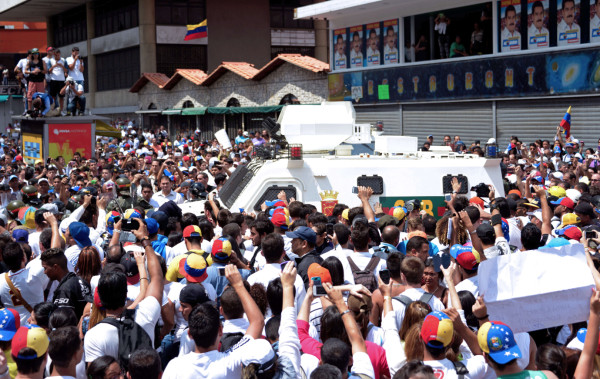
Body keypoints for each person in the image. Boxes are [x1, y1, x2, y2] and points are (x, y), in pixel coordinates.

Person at [162, 264, 265, 379]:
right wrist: (238, 285)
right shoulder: (230, 362)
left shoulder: (175, 367)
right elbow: (258, 321)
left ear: (190, 334)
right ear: (220, 330)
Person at [84, 219, 163, 363]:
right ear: (125, 295)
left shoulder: (93, 335)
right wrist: (145, 240)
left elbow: (94, 372)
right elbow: (157, 276)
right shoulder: (146, 314)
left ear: (99, 299)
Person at [0, 242, 49, 324]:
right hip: (34, 326)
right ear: (24, 259)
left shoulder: (1, 279)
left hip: (12, 328)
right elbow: (55, 249)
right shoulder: (34, 275)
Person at [40, 247, 92, 319]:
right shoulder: (82, 281)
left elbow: (63, 322)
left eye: (45, 268)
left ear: (55, 267)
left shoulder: (64, 290)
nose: (44, 272)